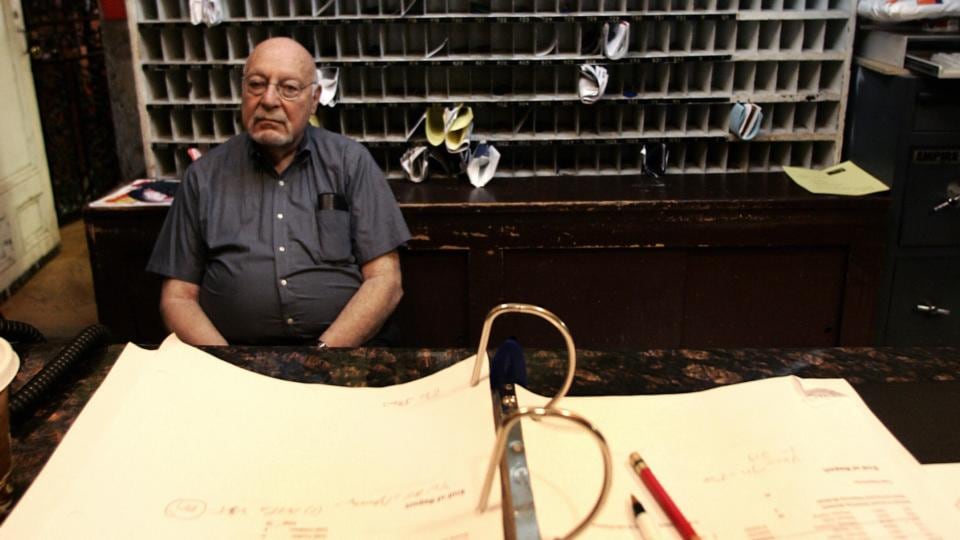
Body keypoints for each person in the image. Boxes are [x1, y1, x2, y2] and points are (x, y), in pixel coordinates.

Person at [147, 37, 410, 347]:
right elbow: (177, 298)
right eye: (257, 85)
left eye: (289, 88)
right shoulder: (203, 177)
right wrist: (227, 364)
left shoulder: (350, 164)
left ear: (314, 100)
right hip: (234, 356)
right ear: (242, 91)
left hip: (340, 352)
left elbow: (385, 281)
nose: (269, 100)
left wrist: (322, 356)